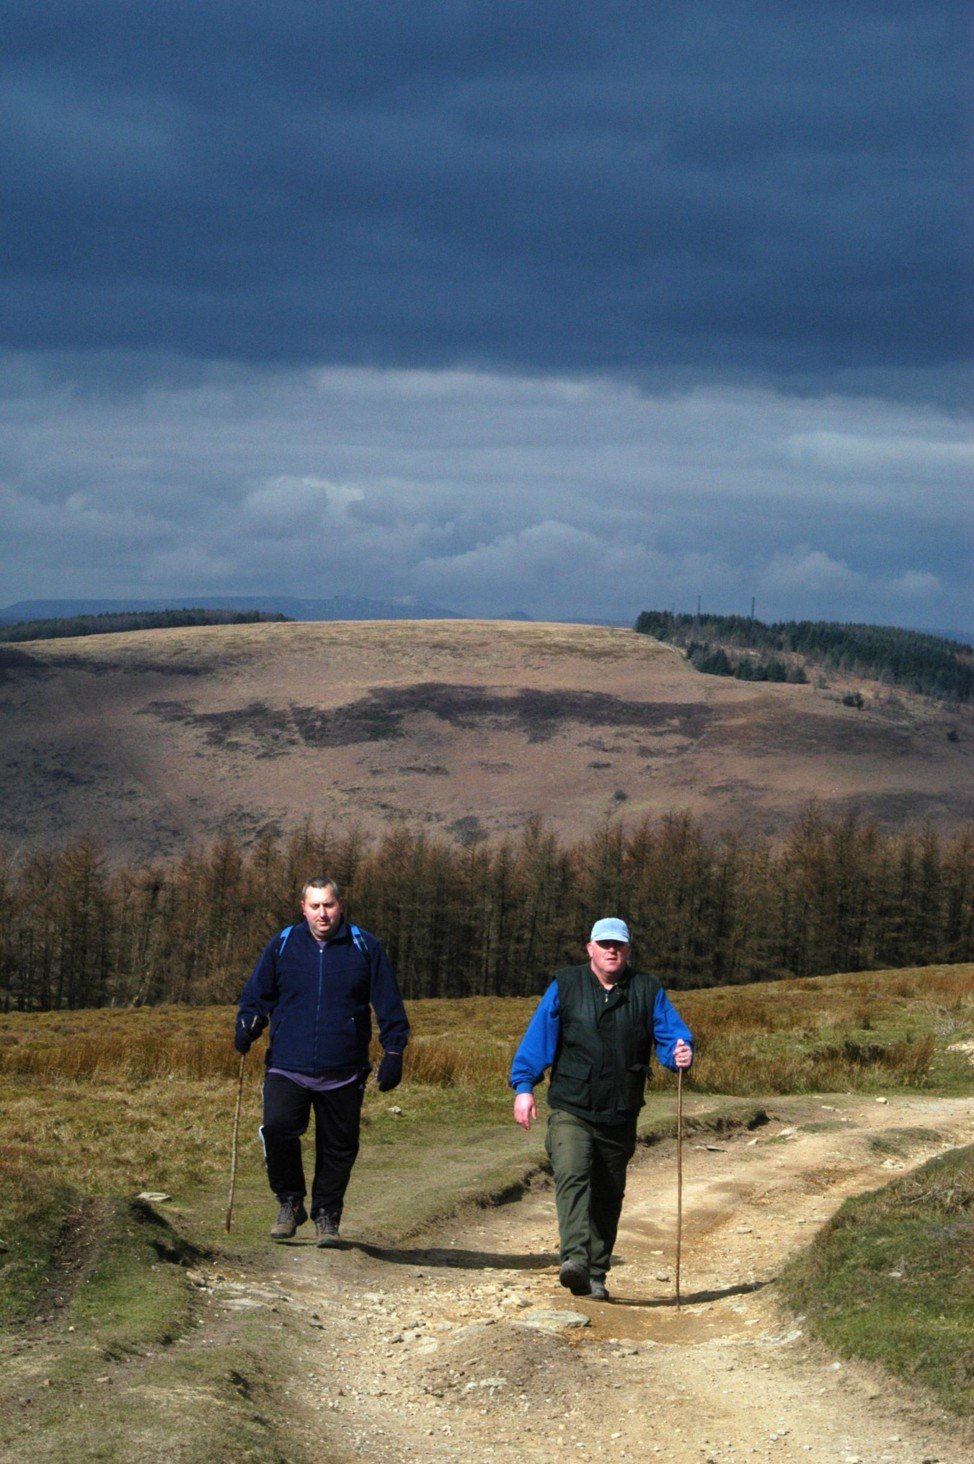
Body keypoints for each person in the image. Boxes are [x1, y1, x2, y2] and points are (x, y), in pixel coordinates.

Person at [510, 917, 693, 1301]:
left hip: (620, 1110)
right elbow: (538, 1038)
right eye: (605, 944)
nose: (612, 950)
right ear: (589, 948)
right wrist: (524, 1086)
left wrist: (680, 1051)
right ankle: (574, 1260)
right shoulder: (566, 984)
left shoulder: (648, 989)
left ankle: (595, 1273)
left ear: (628, 950)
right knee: (572, 1172)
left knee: (608, 1193)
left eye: (619, 945)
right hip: (571, 1106)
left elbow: (670, 1033)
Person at [235, 878, 409, 1246]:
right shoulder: (283, 944)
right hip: (287, 1064)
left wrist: (394, 1051)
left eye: (328, 905)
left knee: (339, 1147)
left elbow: (389, 1002)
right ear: (303, 908)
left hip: (344, 1070)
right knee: (278, 1127)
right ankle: (290, 1201)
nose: (322, 914)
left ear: (340, 905)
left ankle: (327, 1214)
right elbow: (257, 994)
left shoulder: (364, 946)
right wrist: (248, 1022)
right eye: (315, 906)